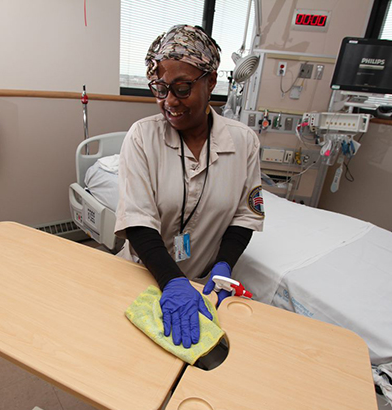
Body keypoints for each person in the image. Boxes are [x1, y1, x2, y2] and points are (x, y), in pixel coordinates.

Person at [114, 25, 264, 349]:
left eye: (182, 89)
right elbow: (138, 222)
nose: (169, 102)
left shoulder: (244, 142)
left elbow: (245, 215)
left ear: (210, 82)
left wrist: (225, 264)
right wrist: (172, 282)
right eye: (160, 88)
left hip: (200, 284)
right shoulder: (142, 137)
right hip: (140, 274)